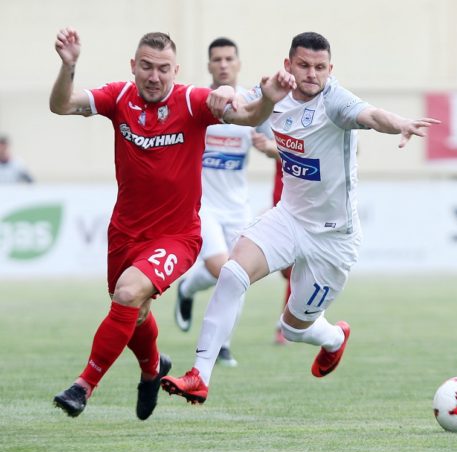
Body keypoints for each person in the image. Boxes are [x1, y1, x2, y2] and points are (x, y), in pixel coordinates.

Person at [160, 32, 441, 405]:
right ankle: (200, 375)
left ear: (330, 69)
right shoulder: (276, 92)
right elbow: (239, 103)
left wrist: (400, 122)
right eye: (304, 65)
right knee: (231, 273)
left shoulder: (335, 101)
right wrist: (225, 93)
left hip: (333, 238)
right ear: (288, 64)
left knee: (292, 328)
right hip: (289, 218)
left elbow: (372, 115)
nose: (312, 74)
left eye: (320, 67)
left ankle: (334, 338)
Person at [49, 27, 295, 419]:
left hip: (177, 236)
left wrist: (266, 98)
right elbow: (61, 105)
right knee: (134, 310)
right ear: (133, 66)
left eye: (163, 69)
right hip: (125, 232)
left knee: (128, 294)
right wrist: (69, 66)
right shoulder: (118, 97)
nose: (154, 76)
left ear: (175, 71)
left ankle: (83, 385)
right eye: (146, 67)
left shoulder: (191, 102)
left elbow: (248, 115)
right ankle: (152, 369)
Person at [174, 37, 278, 366]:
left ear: (238, 64)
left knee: (238, 273)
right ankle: (191, 294)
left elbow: (281, 148)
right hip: (202, 205)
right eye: (216, 59)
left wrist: (269, 149)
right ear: (209, 65)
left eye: (228, 59)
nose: (223, 64)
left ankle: (220, 340)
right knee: (223, 268)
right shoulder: (198, 102)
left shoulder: (252, 105)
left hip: (237, 207)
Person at [251, 132, 291, 345]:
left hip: (306, 213)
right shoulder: (281, 126)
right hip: (281, 209)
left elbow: (355, 149)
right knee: (288, 271)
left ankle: (285, 324)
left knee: (297, 270)